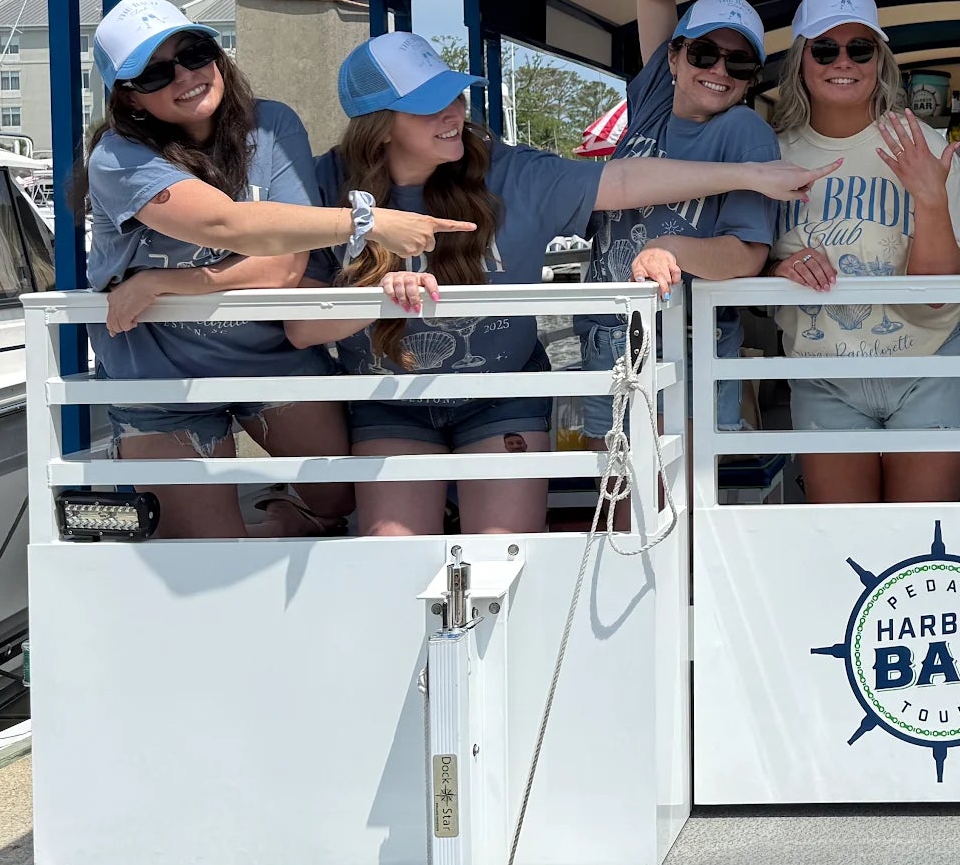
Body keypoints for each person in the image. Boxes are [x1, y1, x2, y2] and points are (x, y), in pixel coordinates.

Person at [290, 32, 833, 535]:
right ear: (381, 124)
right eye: (431, 105)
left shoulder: (507, 170)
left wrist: (752, 174)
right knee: (393, 559)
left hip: (502, 397)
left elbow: (622, 180)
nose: (455, 114)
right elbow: (300, 330)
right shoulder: (320, 184)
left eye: (455, 96)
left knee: (507, 557)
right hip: (391, 399)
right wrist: (379, 298)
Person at [76, 0, 472, 539]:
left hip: (267, 356)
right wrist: (366, 221)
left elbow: (286, 264)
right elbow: (225, 227)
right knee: (210, 556)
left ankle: (291, 514)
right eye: (154, 73)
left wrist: (165, 281)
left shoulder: (269, 125)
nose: (186, 76)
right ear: (130, 98)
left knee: (341, 497)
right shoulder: (118, 157)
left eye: (194, 52)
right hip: (162, 376)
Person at [766, 0, 960, 504]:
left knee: (920, 541)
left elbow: (939, 294)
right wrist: (777, 271)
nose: (841, 61)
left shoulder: (925, 145)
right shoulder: (771, 155)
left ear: (880, 59)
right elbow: (749, 257)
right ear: (801, 59)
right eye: (824, 48)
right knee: (848, 544)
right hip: (824, 374)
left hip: (929, 366)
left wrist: (930, 200)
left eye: (860, 48)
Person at [576, 0, 783, 452]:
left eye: (739, 61)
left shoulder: (744, 131)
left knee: (683, 511)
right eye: (702, 53)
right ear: (673, 58)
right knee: (620, 503)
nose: (719, 69)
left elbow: (746, 254)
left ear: (752, 76)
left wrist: (668, 248)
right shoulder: (650, 107)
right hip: (610, 335)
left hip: (688, 344)